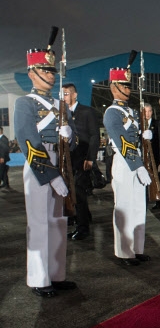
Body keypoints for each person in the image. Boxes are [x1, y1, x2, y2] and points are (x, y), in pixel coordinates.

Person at [15, 35, 77, 297]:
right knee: (40, 223)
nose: (51, 76)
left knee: (58, 222)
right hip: (39, 164)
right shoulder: (24, 103)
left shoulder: (60, 105)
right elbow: (28, 141)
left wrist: (69, 135)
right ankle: (39, 279)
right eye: (45, 70)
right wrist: (51, 175)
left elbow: (72, 145)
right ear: (32, 73)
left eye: (52, 70)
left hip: (60, 161)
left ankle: (56, 274)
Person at [103, 64, 151, 266]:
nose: (128, 89)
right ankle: (124, 252)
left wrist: (146, 134)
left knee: (139, 207)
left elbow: (135, 137)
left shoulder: (131, 111)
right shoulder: (112, 113)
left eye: (129, 86)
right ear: (114, 87)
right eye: (123, 85)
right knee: (124, 207)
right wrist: (138, 165)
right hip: (125, 162)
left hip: (136, 159)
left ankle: (137, 249)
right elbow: (122, 141)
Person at [62, 83, 100, 241]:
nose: (64, 97)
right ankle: (80, 219)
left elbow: (94, 136)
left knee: (79, 192)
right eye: (62, 94)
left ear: (75, 95)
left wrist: (91, 158)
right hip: (67, 160)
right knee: (71, 192)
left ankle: (83, 228)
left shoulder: (86, 111)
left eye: (66, 93)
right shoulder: (62, 114)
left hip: (82, 158)